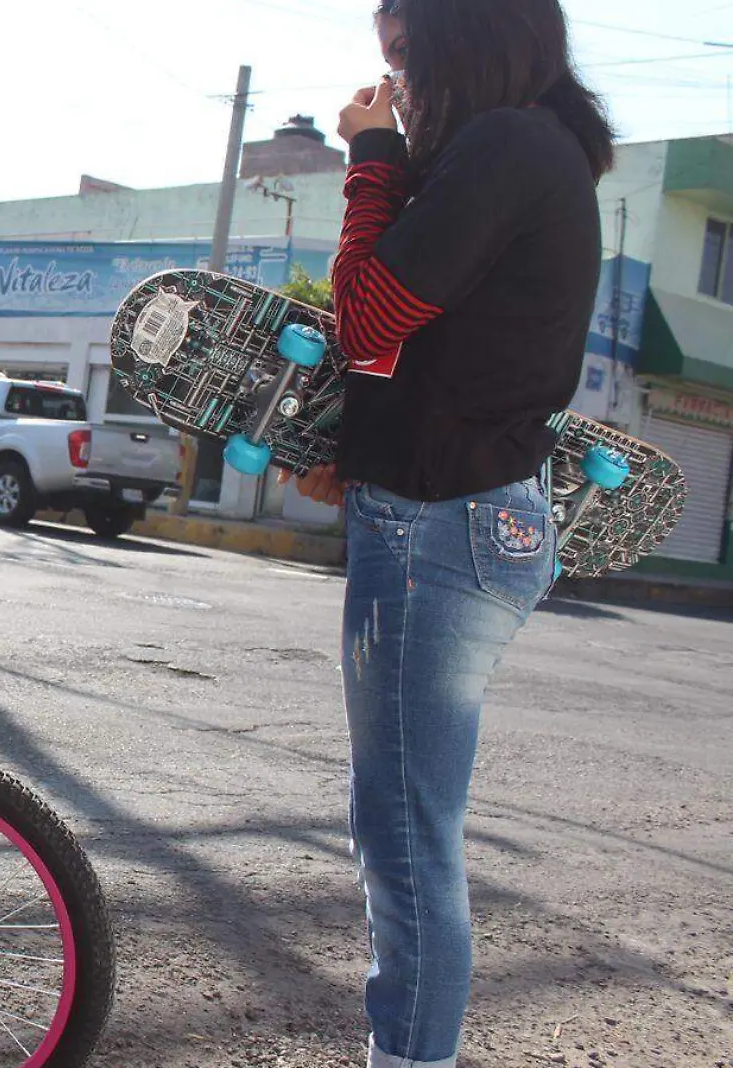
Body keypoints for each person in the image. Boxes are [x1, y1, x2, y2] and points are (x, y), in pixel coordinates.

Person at [284, 2, 614, 1065]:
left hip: (444, 528)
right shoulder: (524, 150)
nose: (394, 75)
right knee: (403, 826)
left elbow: (369, 314)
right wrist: (365, 450)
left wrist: (369, 159)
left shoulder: (506, 144)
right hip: (452, 513)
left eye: (406, 51)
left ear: (464, 36)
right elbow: (438, 352)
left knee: (408, 838)